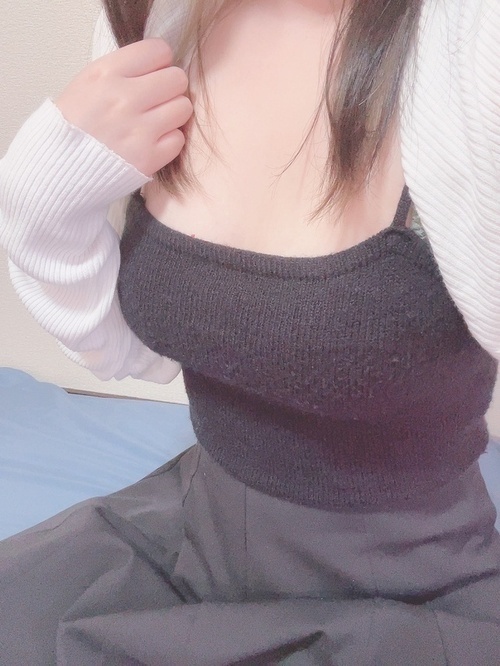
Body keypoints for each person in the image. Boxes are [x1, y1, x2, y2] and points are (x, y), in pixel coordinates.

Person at [1, 0, 500, 663]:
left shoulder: (472, 46)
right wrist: (41, 195)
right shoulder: (164, 24)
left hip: (410, 595)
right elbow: (126, 350)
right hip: (188, 545)